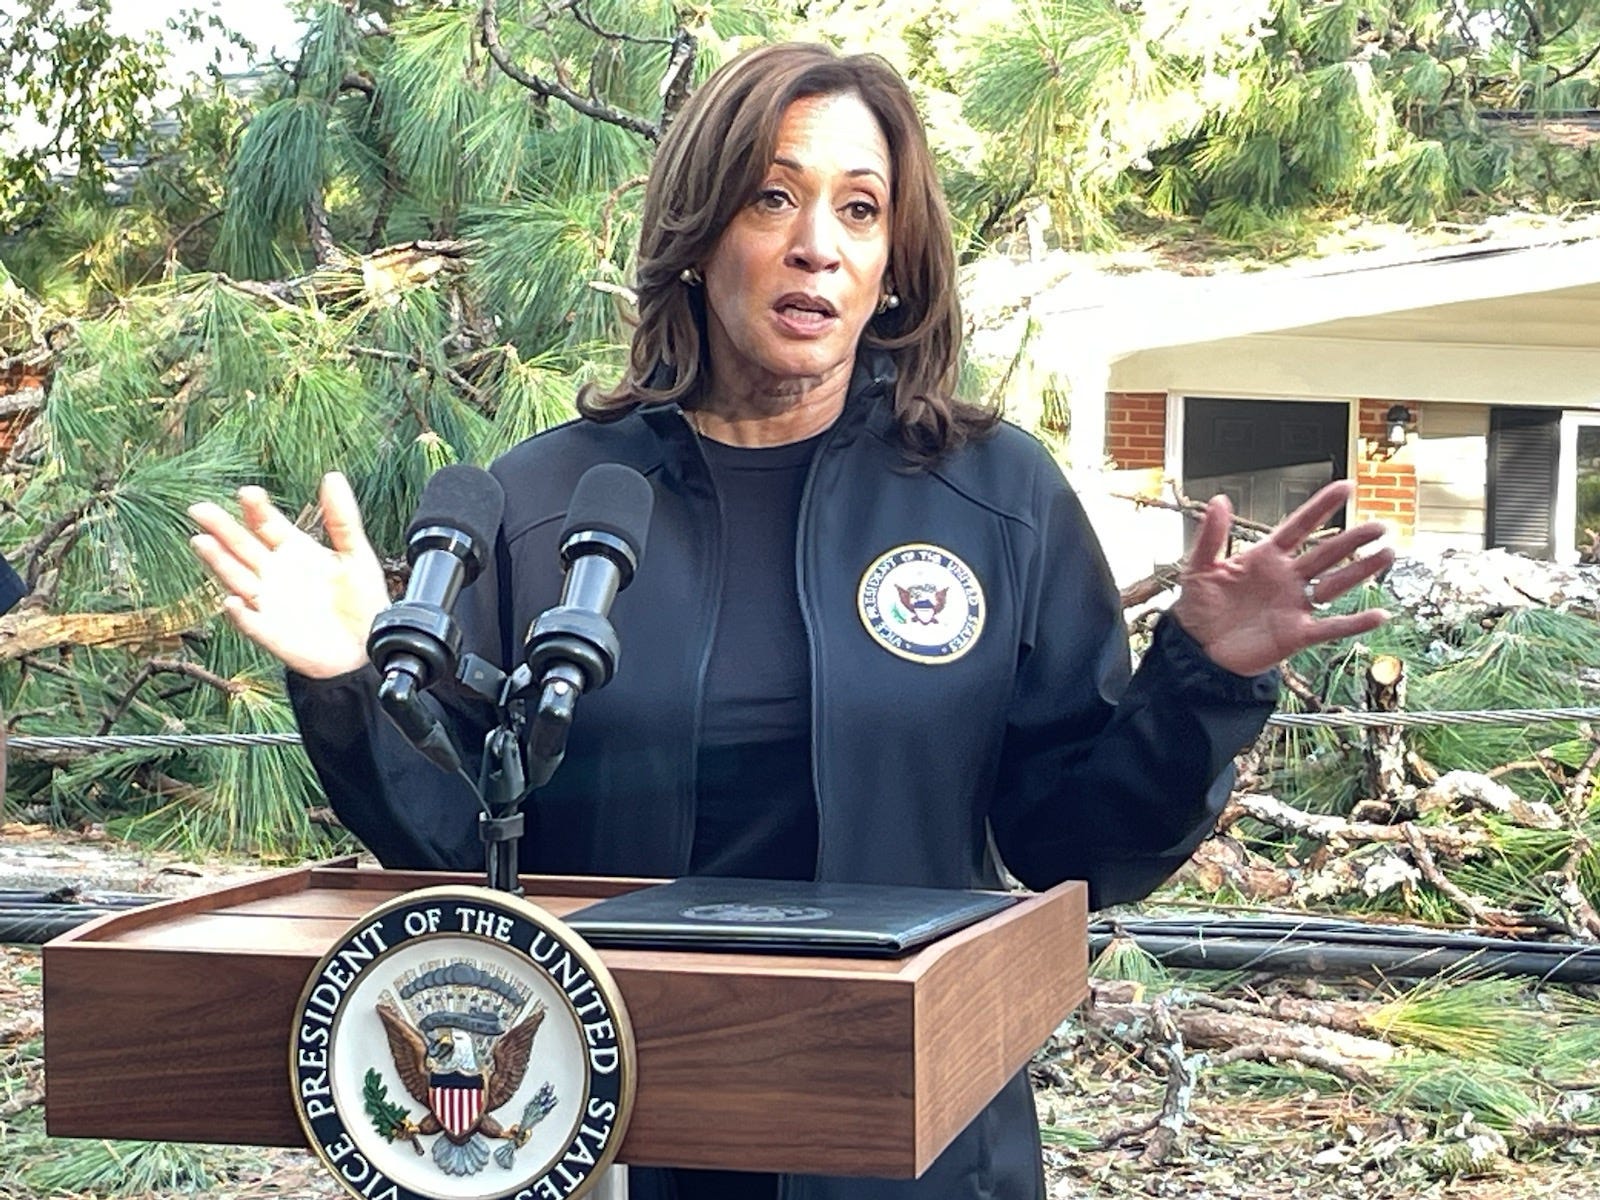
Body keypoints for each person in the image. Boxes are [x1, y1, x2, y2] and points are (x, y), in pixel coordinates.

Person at [188, 42, 1392, 1200]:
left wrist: (1201, 678)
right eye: (772, 197)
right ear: (699, 237)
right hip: (602, 1135)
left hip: (905, 1144)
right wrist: (352, 674)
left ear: (896, 265)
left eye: (859, 210)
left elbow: (1079, 850)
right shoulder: (544, 503)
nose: (815, 245)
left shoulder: (998, 497)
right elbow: (461, 860)